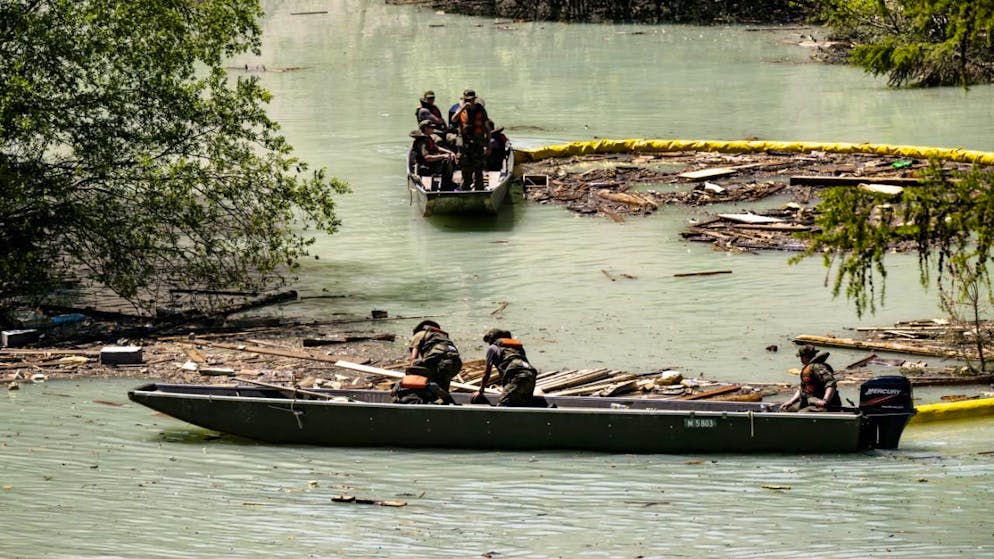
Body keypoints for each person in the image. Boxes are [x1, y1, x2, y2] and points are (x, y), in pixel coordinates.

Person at [473, 328, 539, 407]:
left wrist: (481, 391)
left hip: (517, 374)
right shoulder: (517, 348)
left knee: (502, 405)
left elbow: (486, 373)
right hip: (531, 373)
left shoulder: (492, 348)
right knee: (524, 404)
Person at [779, 344, 842, 412]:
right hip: (809, 402)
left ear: (805, 357)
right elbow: (802, 389)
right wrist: (791, 402)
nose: (801, 359)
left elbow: (830, 383)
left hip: (823, 406)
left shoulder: (817, 367)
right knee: (785, 409)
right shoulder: (808, 369)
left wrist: (825, 400)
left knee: (801, 414)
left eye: (801, 357)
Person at [405, 319, 462, 391]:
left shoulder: (419, 334)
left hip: (437, 361)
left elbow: (413, 358)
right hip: (456, 363)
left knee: (417, 369)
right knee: (442, 390)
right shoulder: (442, 336)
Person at [451, 89, 490, 191]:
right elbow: (453, 119)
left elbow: (487, 128)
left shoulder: (480, 110)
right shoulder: (460, 109)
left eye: (470, 99)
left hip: (478, 144)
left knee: (478, 169)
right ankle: (465, 189)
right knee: (465, 170)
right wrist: (462, 108)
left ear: (474, 99)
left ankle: (479, 190)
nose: (468, 101)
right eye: (466, 99)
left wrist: (488, 145)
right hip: (464, 146)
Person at [410, 120, 457, 190]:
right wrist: (443, 156)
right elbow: (427, 157)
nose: (433, 129)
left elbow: (436, 147)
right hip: (425, 167)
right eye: (431, 127)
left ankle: (448, 183)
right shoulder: (422, 142)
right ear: (425, 128)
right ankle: (446, 186)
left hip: (430, 163)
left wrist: (449, 152)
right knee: (446, 162)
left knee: (450, 158)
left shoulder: (428, 137)